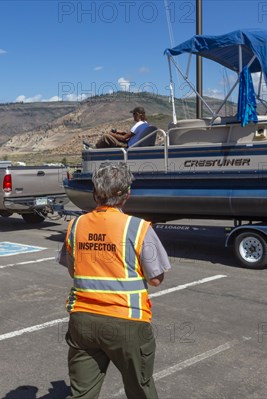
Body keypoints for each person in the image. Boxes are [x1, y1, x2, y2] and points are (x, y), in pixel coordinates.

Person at [59, 162, 171, 399]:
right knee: (140, 390)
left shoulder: (75, 225)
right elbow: (156, 280)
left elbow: (73, 271)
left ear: (95, 193)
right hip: (127, 322)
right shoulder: (137, 228)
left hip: (83, 321)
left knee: (82, 393)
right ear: (127, 195)